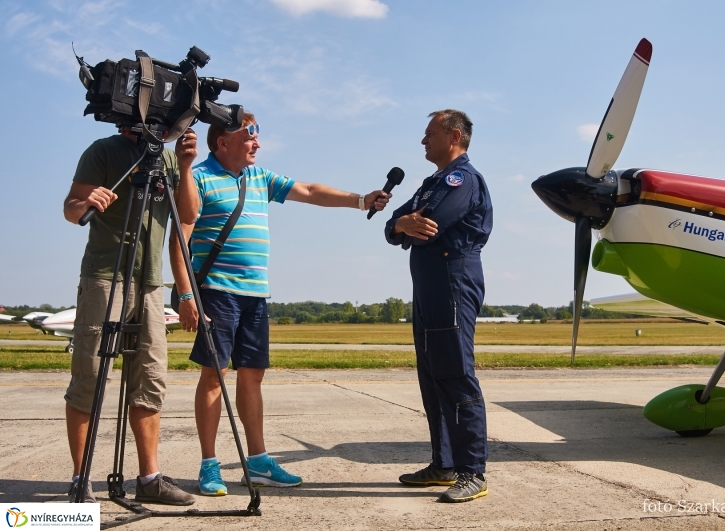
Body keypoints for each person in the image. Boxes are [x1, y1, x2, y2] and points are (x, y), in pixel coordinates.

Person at [170, 112, 391, 496]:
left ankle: (257, 462)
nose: (257, 143)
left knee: (252, 375)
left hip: (256, 294)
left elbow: (308, 191)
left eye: (257, 136)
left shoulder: (260, 178)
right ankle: (209, 465)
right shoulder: (199, 177)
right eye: (249, 136)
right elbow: (179, 236)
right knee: (214, 376)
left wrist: (360, 200)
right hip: (217, 293)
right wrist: (187, 294)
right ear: (222, 142)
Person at [63, 129, 196, 505]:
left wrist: (184, 166)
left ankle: (150, 478)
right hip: (105, 277)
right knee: (89, 376)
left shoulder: (167, 158)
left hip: (150, 281)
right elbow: (71, 208)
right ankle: (81, 478)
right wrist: (85, 200)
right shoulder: (103, 150)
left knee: (151, 378)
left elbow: (188, 215)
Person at [384, 110, 492, 503]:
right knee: (431, 376)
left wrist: (407, 225)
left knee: (456, 374)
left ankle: (472, 471)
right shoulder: (431, 183)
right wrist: (400, 224)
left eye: (430, 134)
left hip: (452, 282)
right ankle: (443, 464)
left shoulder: (462, 180)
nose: (423, 141)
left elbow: (434, 223)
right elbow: (393, 224)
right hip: (427, 287)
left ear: (455, 136)